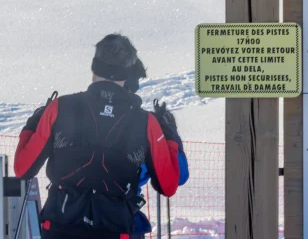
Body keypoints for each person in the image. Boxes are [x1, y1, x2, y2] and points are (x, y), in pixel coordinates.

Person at [14, 34, 181, 239]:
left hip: (60, 225)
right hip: (115, 228)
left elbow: (23, 168)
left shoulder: (60, 108)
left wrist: (31, 126)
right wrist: (171, 138)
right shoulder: (146, 122)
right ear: (127, 74)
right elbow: (169, 184)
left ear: (94, 68)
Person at [123, 79, 190, 239]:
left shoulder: (76, 117)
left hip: (71, 217)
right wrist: (170, 134)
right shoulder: (145, 126)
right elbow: (179, 176)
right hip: (124, 221)